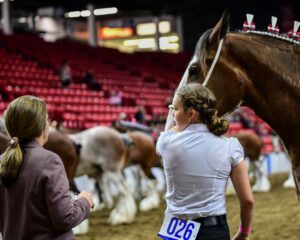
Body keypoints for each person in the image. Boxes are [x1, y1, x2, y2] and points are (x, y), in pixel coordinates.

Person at [156, 83, 254, 240]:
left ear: (191, 114)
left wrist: (175, 116)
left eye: (175, 108)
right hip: (213, 229)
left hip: (176, 230)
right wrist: (244, 232)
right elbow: (248, 201)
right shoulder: (231, 146)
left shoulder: (166, 143)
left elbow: (170, 129)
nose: (173, 114)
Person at [0, 96, 94, 240]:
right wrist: (84, 202)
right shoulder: (49, 161)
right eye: (47, 119)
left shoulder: (2, 161)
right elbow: (65, 219)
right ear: (41, 126)